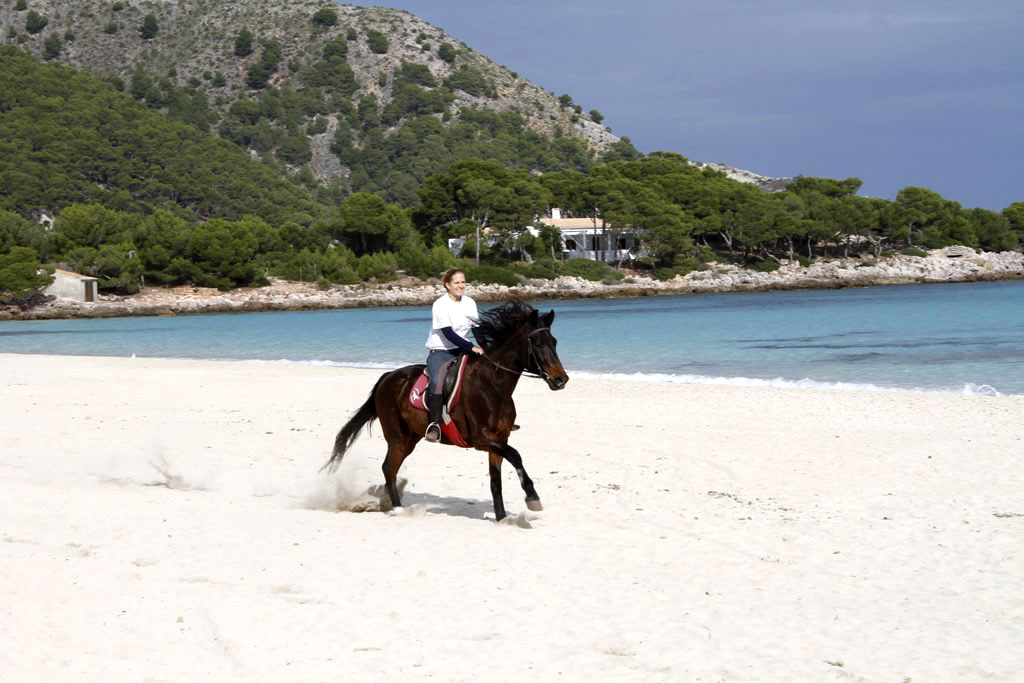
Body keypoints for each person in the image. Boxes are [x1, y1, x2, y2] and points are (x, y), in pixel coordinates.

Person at [423, 268, 485, 442]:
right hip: (441, 350)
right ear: (447, 285)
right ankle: (434, 424)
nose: (461, 285)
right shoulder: (440, 304)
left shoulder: (470, 303)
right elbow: (448, 334)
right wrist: (471, 347)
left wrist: (486, 347)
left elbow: (477, 329)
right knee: (438, 380)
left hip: (462, 349)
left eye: (463, 282)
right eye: (457, 282)